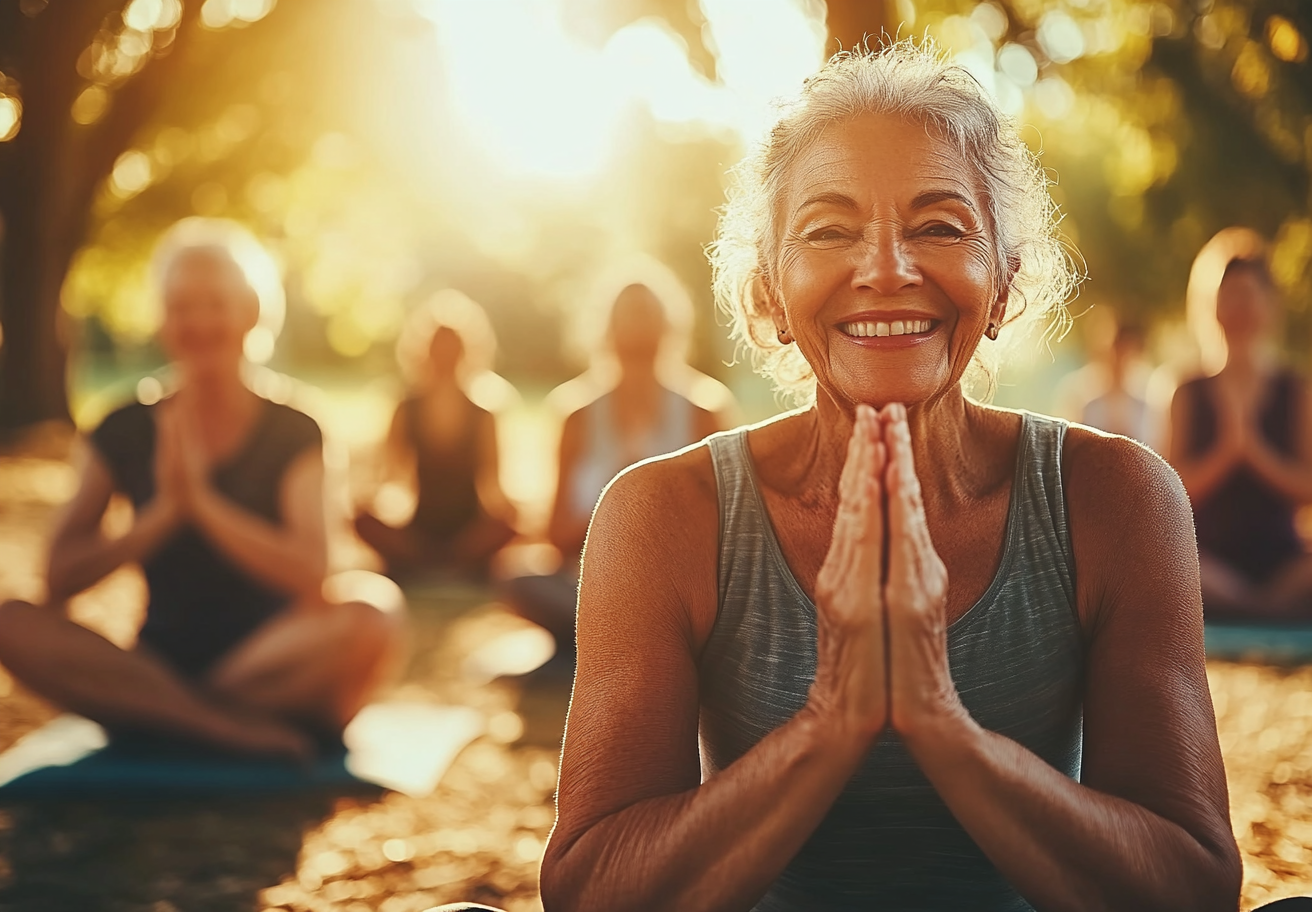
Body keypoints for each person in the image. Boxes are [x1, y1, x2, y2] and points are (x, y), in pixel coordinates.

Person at [540, 43, 1240, 910]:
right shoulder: (661, 515)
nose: (885, 269)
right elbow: (590, 890)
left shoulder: (1118, 500)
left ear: (1006, 282)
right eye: (829, 231)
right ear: (768, 294)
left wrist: (942, 727)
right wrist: (831, 722)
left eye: (939, 226)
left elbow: (1193, 885)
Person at [0, 219, 402, 761]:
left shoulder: (296, 427)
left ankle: (167, 716)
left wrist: (203, 505)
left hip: (270, 660)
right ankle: (222, 728)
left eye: (216, 302)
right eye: (182, 306)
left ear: (252, 313)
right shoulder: (122, 427)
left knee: (374, 612)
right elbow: (59, 579)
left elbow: (313, 574)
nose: (199, 321)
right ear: (163, 320)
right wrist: (162, 514)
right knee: (12, 620)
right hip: (159, 659)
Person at [501, 261, 733, 658]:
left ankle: (616, 641)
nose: (638, 326)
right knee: (520, 579)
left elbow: (724, 529)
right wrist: (615, 495)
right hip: (592, 579)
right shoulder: (576, 413)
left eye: (648, 313)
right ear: (605, 327)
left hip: (676, 580)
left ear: (669, 325)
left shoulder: (704, 410)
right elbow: (555, 538)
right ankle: (636, 640)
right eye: (628, 314)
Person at [1166, 228, 1312, 620]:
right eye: (1229, 296)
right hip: (1209, 559)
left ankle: (1257, 607)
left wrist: (1256, 452)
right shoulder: (1185, 389)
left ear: (1269, 305)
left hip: (1283, 559)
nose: (1239, 308)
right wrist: (1227, 452)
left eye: (1249, 296)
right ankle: (1260, 610)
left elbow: (1307, 487)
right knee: (1171, 566)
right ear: (1210, 306)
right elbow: (1169, 494)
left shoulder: (1295, 388)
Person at [353, 292, 517, 581]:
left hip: (468, 529)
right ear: (423, 351)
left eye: (452, 347)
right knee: (361, 518)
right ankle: (446, 566)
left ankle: (433, 565)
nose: (444, 355)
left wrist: (511, 513)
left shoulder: (483, 412)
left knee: (511, 523)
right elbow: (390, 477)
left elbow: (493, 484)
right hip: (420, 527)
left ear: (467, 352)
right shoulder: (406, 406)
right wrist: (370, 501)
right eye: (437, 347)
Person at [1057, 310, 1156, 445]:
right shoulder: (1082, 396)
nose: (1121, 359)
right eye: (1117, 351)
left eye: (1127, 352)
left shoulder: (1148, 400)